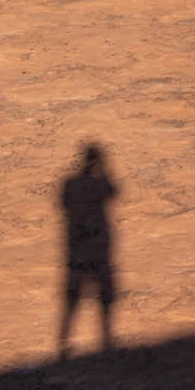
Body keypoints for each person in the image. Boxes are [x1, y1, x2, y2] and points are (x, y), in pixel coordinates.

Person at [57, 143, 118, 358]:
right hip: (98, 252)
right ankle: (106, 341)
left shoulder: (69, 184)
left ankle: (64, 345)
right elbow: (114, 191)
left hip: (76, 251)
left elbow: (63, 203)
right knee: (104, 299)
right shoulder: (100, 184)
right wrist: (103, 167)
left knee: (72, 300)